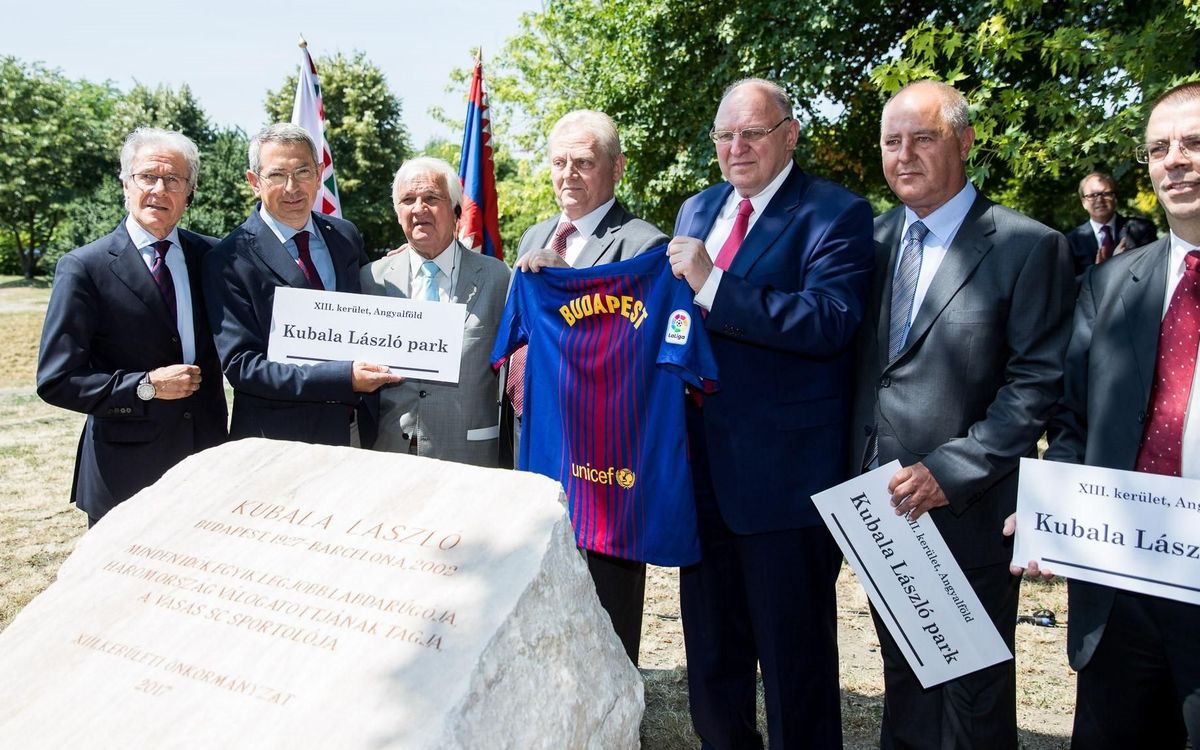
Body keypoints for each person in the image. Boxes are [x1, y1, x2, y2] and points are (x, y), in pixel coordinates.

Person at [849, 80, 1074, 750]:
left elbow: (1036, 382)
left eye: (924, 138)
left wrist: (953, 468)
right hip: (877, 506)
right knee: (904, 679)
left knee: (970, 701)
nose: (905, 154)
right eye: (893, 141)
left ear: (966, 142)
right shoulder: (869, 240)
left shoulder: (1028, 247)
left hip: (965, 508)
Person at [666, 77, 873, 749]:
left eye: (752, 133)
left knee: (796, 670)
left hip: (784, 482)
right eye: (725, 136)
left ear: (789, 134)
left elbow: (831, 321)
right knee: (712, 665)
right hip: (697, 473)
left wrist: (716, 285)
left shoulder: (835, 213)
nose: (736, 147)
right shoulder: (697, 210)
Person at [1041, 80, 1200, 749]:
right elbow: (1073, 422)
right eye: (1160, 148)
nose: (1175, 161)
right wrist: (1056, 507)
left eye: (1194, 143)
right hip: (1118, 592)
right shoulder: (1110, 287)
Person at [505, 109, 667, 665]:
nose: (568, 174)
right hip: (540, 442)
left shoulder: (643, 243)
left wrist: (567, 282)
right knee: (544, 586)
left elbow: (633, 352)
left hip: (605, 462)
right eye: (559, 163)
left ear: (616, 169)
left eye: (584, 162)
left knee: (607, 604)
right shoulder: (534, 234)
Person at [36, 127, 228, 527]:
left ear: (189, 192)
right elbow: (57, 379)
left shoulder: (213, 256)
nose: (159, 189)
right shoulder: (84, 268)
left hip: (205, 465)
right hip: (124, 471)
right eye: (147, 177)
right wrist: (146, 385)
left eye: (173, 179)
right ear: (126, 184)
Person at [203, 124, 400, 447]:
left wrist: (404, 260)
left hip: (353, 432)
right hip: (278, 441)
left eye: (303, 171)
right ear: (254, 182)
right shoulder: (228, 259)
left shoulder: (345, 236)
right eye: (277, 175)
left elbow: (368, 314)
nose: (292, 187)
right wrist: (343, 379)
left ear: (320, 174)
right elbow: (243, 366)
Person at [360, 157, 509, 466]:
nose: (419, 209)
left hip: (471, 460)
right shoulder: (371, 279)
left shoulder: (498, 279)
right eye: (408, 200)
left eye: (431, 198)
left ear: (455, 211)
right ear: (398, 212)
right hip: (389, 457)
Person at [1065, 170, 1158, 274]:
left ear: (1115, 198)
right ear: (1084, 203)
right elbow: (1070, 283)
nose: (1099, 200)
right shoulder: (1072, 241)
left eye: (1105, 194)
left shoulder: (1141, 229)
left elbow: (1153, 268)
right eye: (1092, 195)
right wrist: (1097, 271)